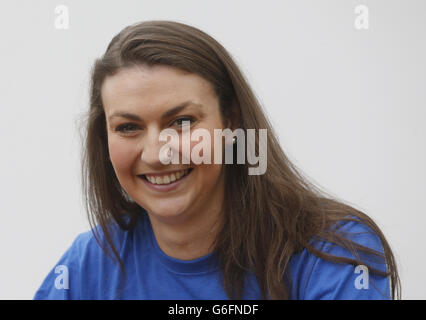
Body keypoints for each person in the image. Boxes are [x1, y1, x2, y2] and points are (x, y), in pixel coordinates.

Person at [34, 20, 400, 300]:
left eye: (181, 122)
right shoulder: (89, 264)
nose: (158, 153)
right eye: (128, 127)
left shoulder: (332, 251)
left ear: (232, 122)